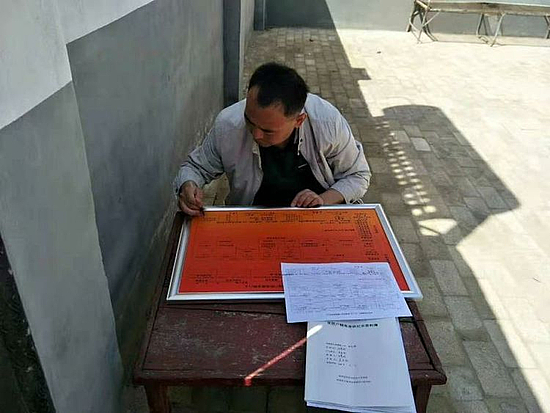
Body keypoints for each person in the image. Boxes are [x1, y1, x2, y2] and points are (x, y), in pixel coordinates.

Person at [174, 62, 370, 216]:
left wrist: (323, 200)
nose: (256, 134)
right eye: (249, 121)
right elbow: (195, 167)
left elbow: (357, 175)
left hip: (316, 218)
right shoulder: (228, 125)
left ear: (299, 120)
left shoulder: (327, 123)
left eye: (268, 131)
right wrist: (188, 185)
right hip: (254, 220)